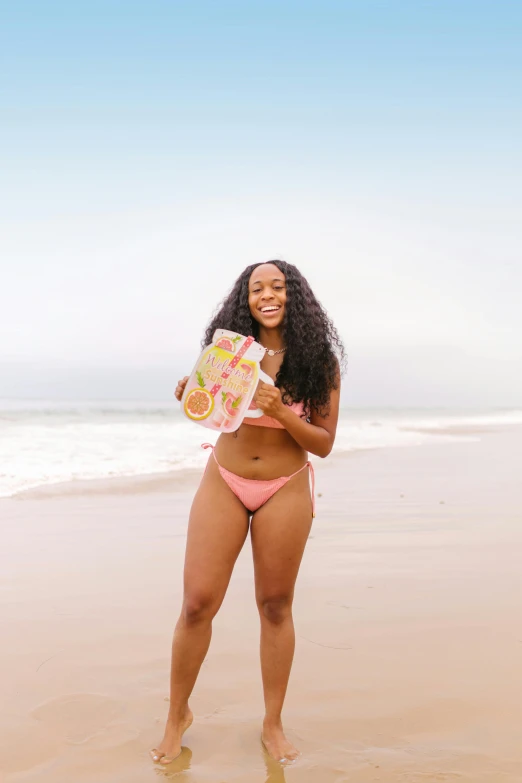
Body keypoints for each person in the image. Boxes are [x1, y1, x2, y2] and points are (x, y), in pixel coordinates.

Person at [150, 260, 345, 766]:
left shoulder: (317, 361)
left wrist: (281, 410)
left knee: (275, 605)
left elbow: (323, 444)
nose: (267, 295)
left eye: (278, 287)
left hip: (286, 485)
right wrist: (190, 395)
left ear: (294, 296)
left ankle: (272, 723)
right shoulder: (228, 352)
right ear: (246, 299)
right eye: (257, 288)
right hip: (226, 478)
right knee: (197, 603)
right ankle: (176, 715)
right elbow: (211, 409)